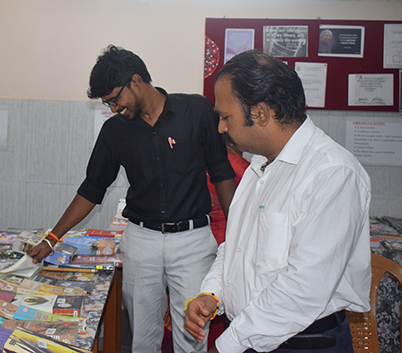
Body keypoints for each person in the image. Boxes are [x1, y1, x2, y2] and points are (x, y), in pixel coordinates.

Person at [28, 45, 236, 353]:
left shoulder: (195, 111)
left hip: (193, 242)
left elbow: (221, 171)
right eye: (107, 103)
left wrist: (239, 229)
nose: (113, 108)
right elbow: (92, 188)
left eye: (114, 99)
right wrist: (52, 237)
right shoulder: (115, 132)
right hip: (141, 242)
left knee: (193, 338)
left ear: (136, 81)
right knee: (142, 337)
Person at [185, 50, 371, 353]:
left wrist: (229, 344)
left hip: (303, 343)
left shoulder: (331, 172)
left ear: (259, 112)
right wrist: (213, 294)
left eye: (225, 117)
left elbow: (303, 289)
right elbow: (234, 247)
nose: (221, 128)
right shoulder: (260, 166)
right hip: (252, 333)